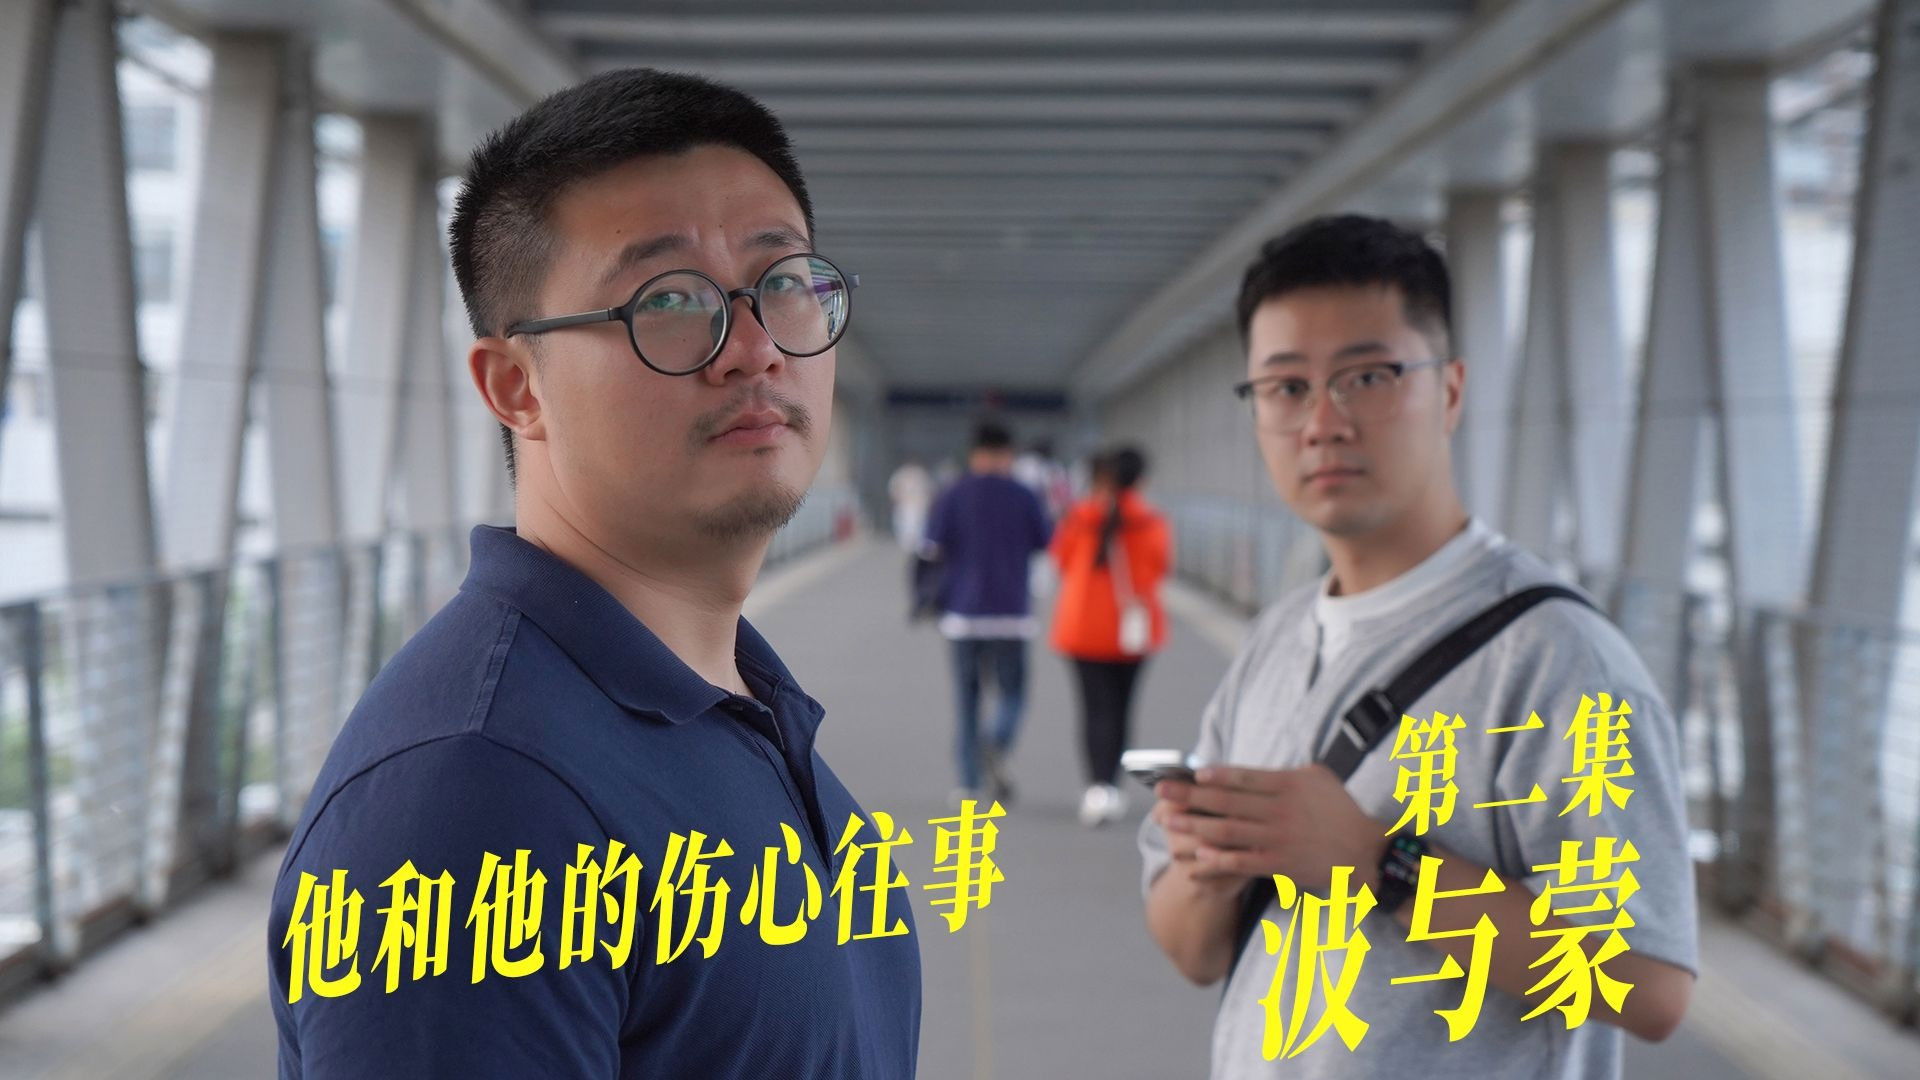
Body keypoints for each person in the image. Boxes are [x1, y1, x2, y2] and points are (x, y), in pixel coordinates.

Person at [267, 69, 919, 1078]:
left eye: (785, 282)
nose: (753, 349)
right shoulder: (474, 799)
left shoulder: (737, 700)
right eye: (670, 301)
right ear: (516, 386)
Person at [1138, 214, 1696, 1078]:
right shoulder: (1276, 639)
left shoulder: (1558, 659)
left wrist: (1380, 862)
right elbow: (1193, 952)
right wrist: (1209, 867)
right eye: (1286, 387)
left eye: (1368, 377)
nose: (1323, 422)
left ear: (1452, 391)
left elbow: (1647, 986)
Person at [921, 420, 1051, 804]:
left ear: (974, 453)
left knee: (967, 701)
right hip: (1012, 614)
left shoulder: (953, 493)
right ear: (1009, 454)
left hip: (963, 614)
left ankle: (968, 783)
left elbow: (932, 545)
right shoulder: (1025, 495)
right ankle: (996, 740)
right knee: (1013, 693)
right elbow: (1045, 541)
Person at [1048, 446, 1171, 827]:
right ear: (1139, 479)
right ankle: (1112, 786)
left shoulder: (1079, 516)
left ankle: (1096, 786)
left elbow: (1060, 560)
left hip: (1083, 627)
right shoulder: (1150, 520)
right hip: (1131, 631)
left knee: (1093, 709)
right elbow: (1159, 566)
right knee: (1121, 709)